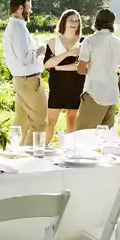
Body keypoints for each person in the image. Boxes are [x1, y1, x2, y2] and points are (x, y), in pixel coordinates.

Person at [74, 8, 120, 131]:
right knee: (105, 138)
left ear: (96, 22)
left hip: (94, 93)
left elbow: (81, 69)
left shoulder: (89, 41)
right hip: (112, 95)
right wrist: (117, 82)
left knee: (83, 135)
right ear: (113, 23)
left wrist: (81, 66)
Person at [3, 0, 47, 146]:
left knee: (21, 123)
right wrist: (41, 50)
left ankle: (15, 153)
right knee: (39, 122)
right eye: (29, 8)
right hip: (30, 81)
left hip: (22, 80)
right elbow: (25, 58)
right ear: (20, 8)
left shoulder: (15, 27)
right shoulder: (19, 29)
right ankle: (33, 158)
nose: (31, 11)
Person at [43, 8, 85, 146]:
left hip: (77, 86)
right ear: (64, 22)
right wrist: (68, 54)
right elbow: (48, 64)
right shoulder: (53, 42)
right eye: (71, 20)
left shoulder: (84, 42)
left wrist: (60, 67)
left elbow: (82, 67)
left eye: (77, 20)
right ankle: (41, 149)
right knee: (50, 122)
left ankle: (69, 152)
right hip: (57, 87)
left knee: (72, 123)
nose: (74, 22)